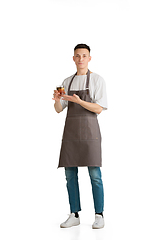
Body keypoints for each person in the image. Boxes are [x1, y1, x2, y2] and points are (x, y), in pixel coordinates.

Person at [52, 44, 108, 229]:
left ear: (89, 58)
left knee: (95, 175)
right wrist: (58, 100)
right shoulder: (67, 81)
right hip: (71, 133)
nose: (81, 59)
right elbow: (59, 110)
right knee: (70, 174)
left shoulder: (97, 80)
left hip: (90, 134)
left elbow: (99, 108)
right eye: (78, 56)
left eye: (84, 55)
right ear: (73, 58)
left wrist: (79, 101)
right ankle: (74, 214)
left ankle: (99, 215)